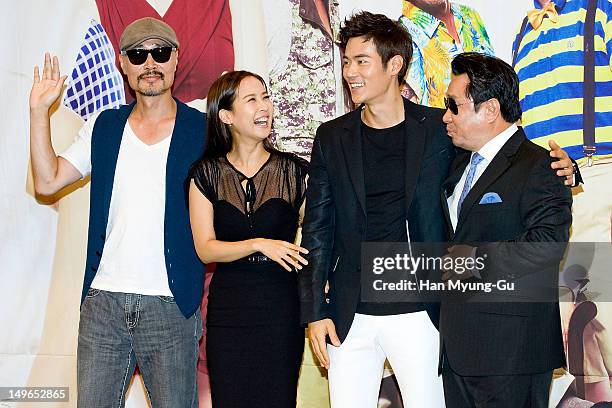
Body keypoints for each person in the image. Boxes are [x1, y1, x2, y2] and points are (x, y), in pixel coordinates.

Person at [298, 11, 576, 408]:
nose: (350, 72)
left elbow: (501, 157)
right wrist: (314, 310)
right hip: (349, 314)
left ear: (394, 65)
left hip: (424, 310)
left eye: (361, 61)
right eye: (345, 61)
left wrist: (565, 168)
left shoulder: (439, 129)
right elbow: (317, 228)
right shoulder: (331, 137)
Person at [28, 17, 205, 407]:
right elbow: (47, 182)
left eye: (160, 52)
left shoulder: (204, 130)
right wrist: (40, 112)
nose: (150, 64)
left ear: (175, 59)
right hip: (103, 306)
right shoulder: (103, 126)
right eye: (138, 55)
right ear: (122, 63)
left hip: (171, 307)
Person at [439, 52, 572, 407]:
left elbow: (547, 244)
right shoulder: (455, 166)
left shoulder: (541, 165)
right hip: (457, 350)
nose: (445, 116)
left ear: (490, 109)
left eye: (454, 105)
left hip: (511, 349)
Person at [188, 70, 309, 408]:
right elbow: (205, 248)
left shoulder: (295, 172)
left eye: (266, 97)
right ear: (226, 115)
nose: (264, 107)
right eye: (252, 99)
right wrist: (258, 243)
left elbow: (317, 237)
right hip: (229, 313)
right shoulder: (205, 175)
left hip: (281, 308)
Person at [511, 0, 612, 242]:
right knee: (554, 280)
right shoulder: (523, 31)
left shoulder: (599, 10)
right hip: (542, 188)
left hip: (594, 177)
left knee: (596, 278)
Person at [399, 0, 494, 107]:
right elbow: (416, 114)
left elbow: (494, 76)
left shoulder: (469, 15)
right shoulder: (402, 35)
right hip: (442, 122)